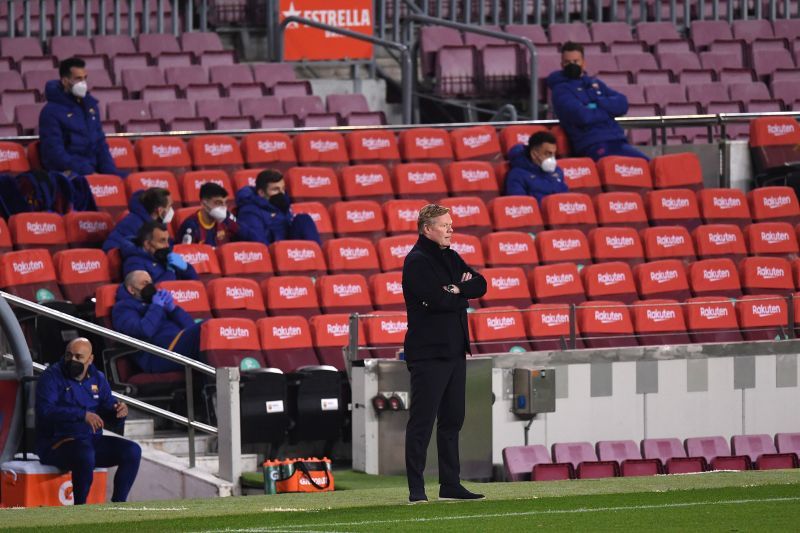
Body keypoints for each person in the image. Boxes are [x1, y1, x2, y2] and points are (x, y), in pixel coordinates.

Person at [402, 204, 487, 503]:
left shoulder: (450, 255)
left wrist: (455, 290)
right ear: (427, 229)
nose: (451, 229)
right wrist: (457, 293)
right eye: (445, 225)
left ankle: (450, 484)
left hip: (454, 351)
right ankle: (416, 489)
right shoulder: (417, 261)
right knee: (422, 422)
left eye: (451, 224)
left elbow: (480, 284)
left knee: (453, 420)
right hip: (428, 354)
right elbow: (438, 301)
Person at [35, 337, 141, 504]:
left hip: (91, 440)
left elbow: (109, 412)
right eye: (69, 355)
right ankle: (81, 509)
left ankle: (119, 507)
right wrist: (81, 415)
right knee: (85, 453)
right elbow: (45, 411)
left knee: (132, 451)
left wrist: (119, 412)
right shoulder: (51, 376)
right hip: (58, 443)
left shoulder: (97, 378)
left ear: (90, 359)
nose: (72, 360)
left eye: (78, 357)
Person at [547, 42, 649, 162]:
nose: (572, 65)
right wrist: (609, 111)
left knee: (648, 165)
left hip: (618, 140)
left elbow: (622, 104)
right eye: (567, 62)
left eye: (576, 61)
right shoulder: (560, 90)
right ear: (562, 65)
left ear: (583, 63)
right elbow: (582, 116)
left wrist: (597, 103)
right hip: (591, 144)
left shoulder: (594, 83)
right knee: (616, 167)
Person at [38, 57, 125, 177]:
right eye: (78, 79)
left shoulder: (91, 107)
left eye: (85, 78)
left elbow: (100, 144)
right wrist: (88, 172)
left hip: (93, 172)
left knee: (129, 182)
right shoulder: (50, 112)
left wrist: (111, 174)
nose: (83, 83)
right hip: (70, 175)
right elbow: (54, 155)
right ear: (65, 81)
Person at [111, 270, 203, 373]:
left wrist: (173, 309)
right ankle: (216, 384)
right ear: (132, 289)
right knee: (204, 328)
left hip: (177, 344)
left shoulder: (154, 303)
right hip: (159, 355)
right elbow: (144, 331)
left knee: (209, 328)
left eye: (151, 283)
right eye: (145, 283)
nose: (150, 286)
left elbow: (189, 325)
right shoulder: (122, 308)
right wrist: (156, 307)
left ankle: (217, 384)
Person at [235, 169, 321, 246]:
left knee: (303, 220)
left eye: (283, 189)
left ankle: (317, 257)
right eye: (275, 189)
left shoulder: (281, 205)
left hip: (288, 250)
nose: (282, 193)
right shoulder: (249, 211)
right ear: (261, 193)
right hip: (272, 253)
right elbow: (259, 243)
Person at [122, 221, 197, 283]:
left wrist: (186, 268)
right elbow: (147, 293)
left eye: (168, 240)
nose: (167, 245)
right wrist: (170, 272)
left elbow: (195, 284)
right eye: (162, 241)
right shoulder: (133, 263)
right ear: (147, 244)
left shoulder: (164, 257)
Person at [103, 187, 174, 254]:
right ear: (160, 211)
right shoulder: (131, 222)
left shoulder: (158, 223)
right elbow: (110, 248)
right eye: (169, 206)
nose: (172, 210)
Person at [505, 131, 569, 202]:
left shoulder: (557, 172)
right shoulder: (517, 175)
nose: (552, 158)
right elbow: (521, 206)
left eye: (553, 154)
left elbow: (566, 200)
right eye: (548, 154)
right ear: (534, 154)